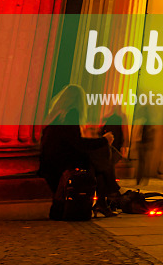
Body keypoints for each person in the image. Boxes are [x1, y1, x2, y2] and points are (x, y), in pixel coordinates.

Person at [39, 85, 120, 217]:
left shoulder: (56, 115)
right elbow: (79, 144)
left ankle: (106, 197)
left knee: (102, 157)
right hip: (60, 163)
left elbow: (72, 142)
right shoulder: (71, 113)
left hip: (52, 160)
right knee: (102, 157)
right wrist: (104, 140)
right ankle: (108, 195)